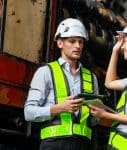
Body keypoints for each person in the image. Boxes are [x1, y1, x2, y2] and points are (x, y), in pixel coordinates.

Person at [24, 18, 99, 150]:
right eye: (72, 41)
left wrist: (96, 115)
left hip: (83, 145)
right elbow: (28, 113)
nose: (78, 46)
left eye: (80, 42)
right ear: (60, 43)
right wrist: (58, 108)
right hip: (53, 144)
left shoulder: (91, 77)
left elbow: (93, 121)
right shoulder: (45, 72)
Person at [89, 18, 127, 150]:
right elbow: (109, 83)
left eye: (125, 42)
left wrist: (106, 115)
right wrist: (115, 51)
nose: (123, 46)